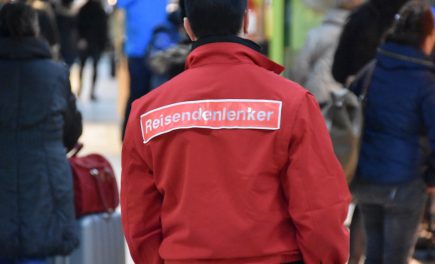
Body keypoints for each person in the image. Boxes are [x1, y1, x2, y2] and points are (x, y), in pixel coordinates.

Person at [121, 0, 351, 263]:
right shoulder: (292, 103)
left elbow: (139, 219)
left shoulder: (147, 113)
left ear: (188, 29)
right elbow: (319, 209)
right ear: (245, 21)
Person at [349, 1, 435, 263]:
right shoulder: (427, 82)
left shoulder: (372, 70)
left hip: (366, 180)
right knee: (396, 258)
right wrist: (433, 177)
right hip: (406, 184)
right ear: (427, 36)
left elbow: (350, 114)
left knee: (373, 255)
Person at [0, 3, 82, 263]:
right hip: (44, 182)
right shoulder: (55, 73)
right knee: (38, 251)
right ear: (35, 29)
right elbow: (71, 131)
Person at [291, 0, 363, 105]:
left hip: (317, 97)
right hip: (344, 98)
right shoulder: (360, 34)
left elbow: (299, 68)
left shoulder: (318, 33)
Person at [117, 0, 167, 139]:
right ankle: (129, 136)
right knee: (137, 96)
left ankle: (148, 137)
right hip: (138, 51)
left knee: (155, 97)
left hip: (159, 50)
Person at [332, 0, 409, 85]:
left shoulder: (360, 15)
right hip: (397, 91)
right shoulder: (412, 23)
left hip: (357, 90)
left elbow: (338, 70)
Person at [76, 0, 108, 101]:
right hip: (93, 43)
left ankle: (85, 90)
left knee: (85, 67)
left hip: (90, 43)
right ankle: (88, 91)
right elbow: (104, 28)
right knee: (90, 67)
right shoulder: (98, 10)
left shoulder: (85, 9)